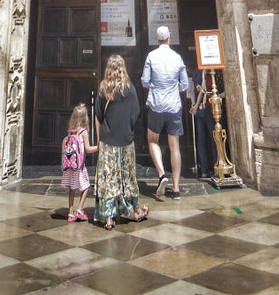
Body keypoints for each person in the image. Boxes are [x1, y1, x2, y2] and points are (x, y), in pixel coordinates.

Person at [93, 55, 148, 230]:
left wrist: (99, 138)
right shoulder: (130, 89)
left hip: (108, 141)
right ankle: (133, 209)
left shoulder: (103, 89)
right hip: (125, 140)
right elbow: (136, 114)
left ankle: (108, 217)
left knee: (109, 177)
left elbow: (98, 116)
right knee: (128, 177)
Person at [141, 25, 189, 200]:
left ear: (157, 40)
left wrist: (154, 86)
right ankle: (176, 189)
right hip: (174, 106)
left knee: (153, 140)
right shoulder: (177, 58)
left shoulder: (151, 57)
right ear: (169, 38)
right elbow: (184, 85)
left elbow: (145, 81)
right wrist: (175, 89)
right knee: (174, 144)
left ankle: (162, 174)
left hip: (156, 105)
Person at [60, 103, 97, 222]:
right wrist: (99, 147)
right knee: (85, 187)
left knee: (72, 188)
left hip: (70, 166)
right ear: (85, 117)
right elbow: (88, 149)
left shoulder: (70, 132)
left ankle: (70, 212)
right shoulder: (83, 132)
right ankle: (80, 209)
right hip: (80, 167)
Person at [190, 67, 218, 180]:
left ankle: (204, 170)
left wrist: (193, 105)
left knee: (201, 139)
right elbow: (202, 91)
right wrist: (196, 106)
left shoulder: (195, 73)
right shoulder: (207, 72)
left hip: (199, 110)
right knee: (213, 138)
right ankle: (215, 165)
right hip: (206, 108)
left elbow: (192, 90)